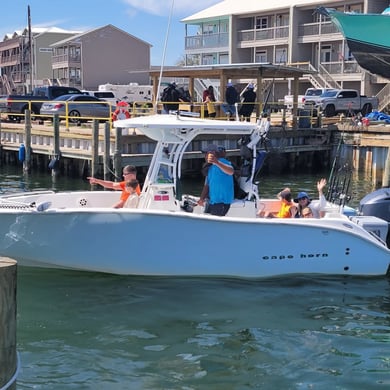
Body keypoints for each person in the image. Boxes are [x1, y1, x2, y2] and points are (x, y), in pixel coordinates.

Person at [197, 144, 234, 216]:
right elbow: (207, 185)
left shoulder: (222, 162)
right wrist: (201, 199)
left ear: (213, 153)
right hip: (212, 201)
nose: (205, 156)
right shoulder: (210, 168)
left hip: (221, 202)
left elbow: (231, 171)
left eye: (206, 153)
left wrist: (217, 162)